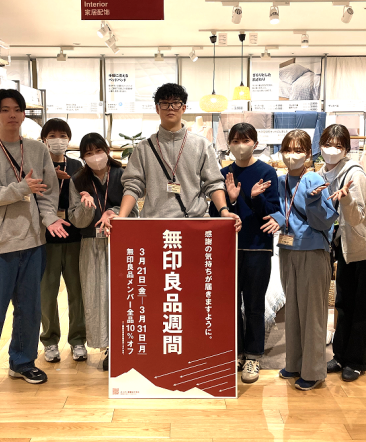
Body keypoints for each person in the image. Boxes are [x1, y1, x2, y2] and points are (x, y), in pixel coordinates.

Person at [0, 89, 69, 401]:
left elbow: (48, 192)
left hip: (33, 243)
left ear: (23, 114)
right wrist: (21, 188)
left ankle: (22, 363)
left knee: (29, 310)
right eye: (5, 110)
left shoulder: (37, 149)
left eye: (17, 109)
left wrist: (49, 218)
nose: (12, 115)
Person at [259, 129, 337, 391]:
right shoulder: (280, 181)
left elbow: (325, 222)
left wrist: (314, 202)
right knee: (292, 309)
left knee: (312, 312)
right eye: (287, 149)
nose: (292, 155)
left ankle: (313, 372)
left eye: (298, 150)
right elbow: (280, 213)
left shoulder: (312, 178)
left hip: (312, 252)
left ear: (308, 153)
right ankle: (294, 363)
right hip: (287, 250)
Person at [111, 83, 241, 231]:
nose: (171, 108)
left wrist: (224, 211)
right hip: (154, 224)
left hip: (192, 224)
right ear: (157, 108)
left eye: (176, 103)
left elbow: (213, 183)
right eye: (165, 103)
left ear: (183, 108)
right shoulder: (143, 148)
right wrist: (121, 217)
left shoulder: (201, 145)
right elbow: (133, 185)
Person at [209, 123, 279, 384]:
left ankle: (253, 355)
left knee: (254, 305)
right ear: (229, 144)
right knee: (230, 304)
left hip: (258, 247)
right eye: (235, 141)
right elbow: (215, 214)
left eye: (246, 140)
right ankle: (236, 351)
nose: (240, 145)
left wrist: (253, 198)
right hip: (229, 249)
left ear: (255, 143)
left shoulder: (267, 172)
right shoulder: (223, 173)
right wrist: (231, 201)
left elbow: (272, 212)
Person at [319, 124, 366, 382]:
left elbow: (357, 218)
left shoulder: (354, 174)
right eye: (328, 144)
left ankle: (357, 361)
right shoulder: (322, 173)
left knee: (364, 307)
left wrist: (346, 199)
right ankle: (340, 356)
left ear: (346, 149)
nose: (332, 150)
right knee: (343, 303)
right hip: (347, 248)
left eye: (338, 146)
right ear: (320, 146)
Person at [68, 133, 138, 372]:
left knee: (124, 294)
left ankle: (126, 345)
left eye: (98, 151)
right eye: (88, 153)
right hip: (91, 245)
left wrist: (115, 212)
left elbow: (135, 211)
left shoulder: (123, 174)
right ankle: (109, 347)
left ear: (107, 151)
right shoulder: (78, 180)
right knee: (97, 297)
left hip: (123, 244)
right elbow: (76, 220)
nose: (95, 157)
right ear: (82, 157)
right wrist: (86, 207)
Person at [40, 119, 87, 363]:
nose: (58, 140)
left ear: (69, 139)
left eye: (62, 135)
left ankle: (78, 340)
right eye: (52, 135)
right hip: (45, 238)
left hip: (74, 236)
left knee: (76, 291)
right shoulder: (38, 165)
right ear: (44, 139)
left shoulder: (77, 165)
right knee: (47, 293)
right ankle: (49, 341)